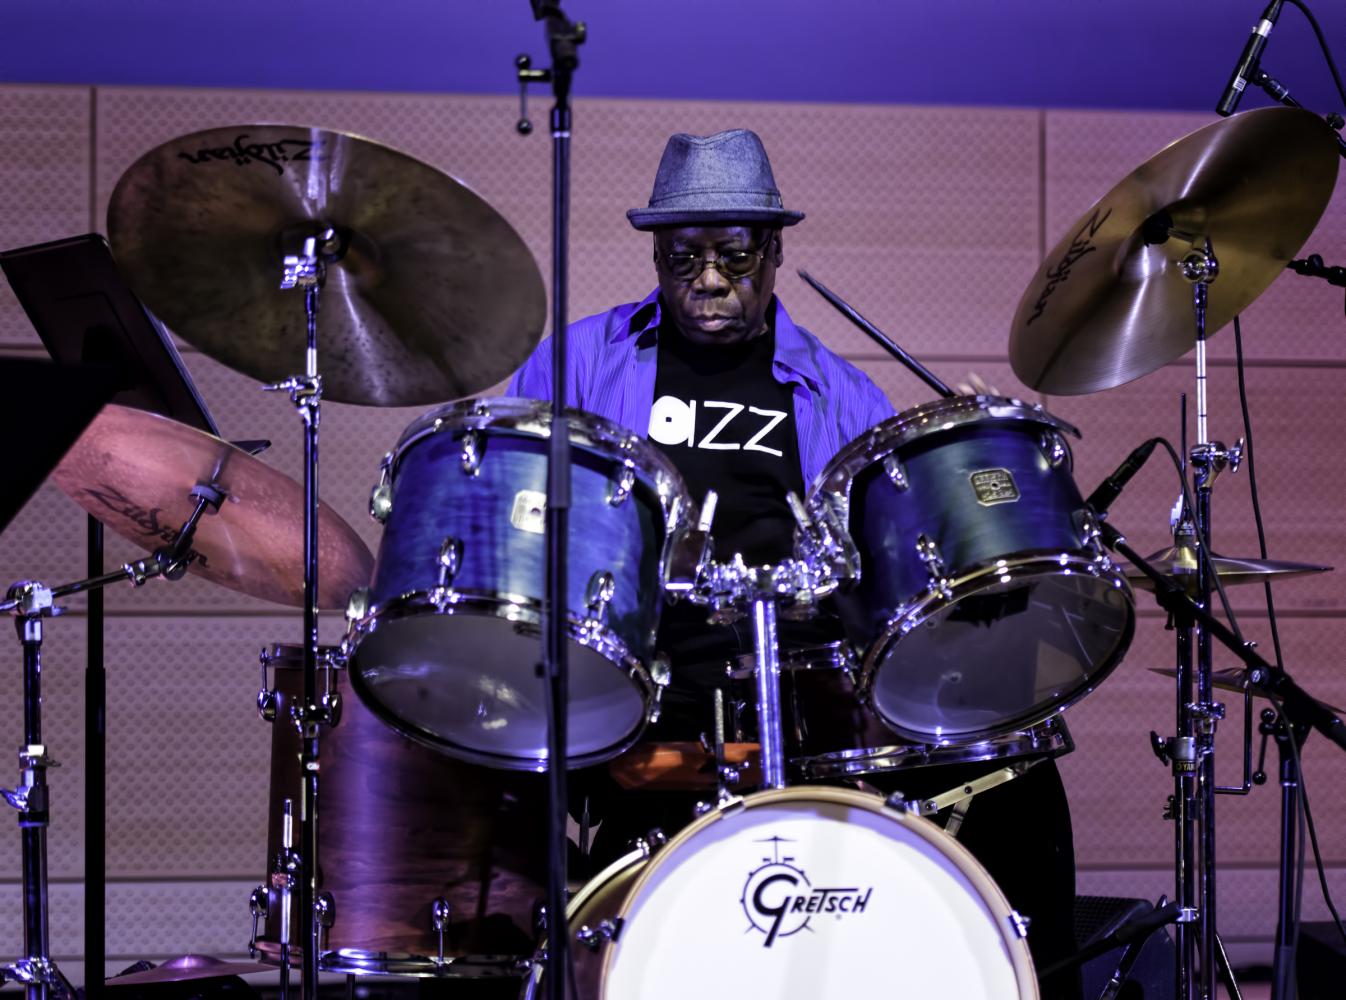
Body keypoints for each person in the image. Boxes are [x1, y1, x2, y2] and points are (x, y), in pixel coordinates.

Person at [507, 129, 1080, 999]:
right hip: (638, 706)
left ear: (775, 252)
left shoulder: (842, 393)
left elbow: (897, 574)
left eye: (733, 257)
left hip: (801, 715)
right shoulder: (579, 363)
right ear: (656, 254)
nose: (707, 280)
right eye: (682, 257)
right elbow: (515, 519)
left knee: (1020, 773)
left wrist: (975, 487)